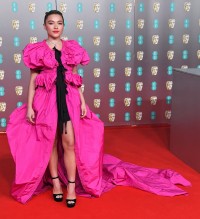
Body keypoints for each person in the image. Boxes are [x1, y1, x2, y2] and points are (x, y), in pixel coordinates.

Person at [7, 10, 191, 207]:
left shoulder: (71, 48)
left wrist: (83, 101)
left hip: (69, 99)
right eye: (51, 23)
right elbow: (33, 79)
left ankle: (70, 186)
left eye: (59, 23)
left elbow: (75, 79)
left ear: (63, 26)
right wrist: (29, 107)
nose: (55, 26)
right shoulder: (37, 50)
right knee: (49, 142)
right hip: (45, 100)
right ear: (44, 26)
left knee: (69, 142)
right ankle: (55, 184)